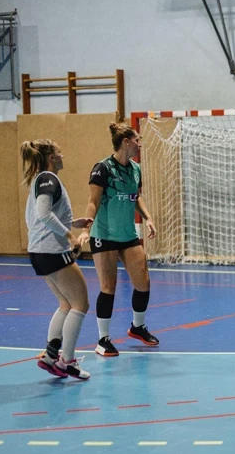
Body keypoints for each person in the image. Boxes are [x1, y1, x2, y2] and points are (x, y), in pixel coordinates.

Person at [77, 122, 159, 357]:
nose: (139, 144)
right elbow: (93, 201)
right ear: (126, 142)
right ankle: (102, 340)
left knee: (143, 283)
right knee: (108, 287)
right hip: (104, 235)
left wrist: (148, 218)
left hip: (128, 235)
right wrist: (87, 226)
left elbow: (136, 196)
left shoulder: (135, 168)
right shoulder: (102, 169)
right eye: (137, 140)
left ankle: (137, 327)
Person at [22, 139, 93, 379]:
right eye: (59, 152)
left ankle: (51, 356)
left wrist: (73, 222)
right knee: (80, 304)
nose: (63, 156)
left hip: (39, 252)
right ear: (51, 158)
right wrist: (69, 235)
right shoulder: (48, 178)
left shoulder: (40, 180)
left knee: (66, 304)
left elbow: (42, 215)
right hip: (52, 251)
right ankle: (67, 361)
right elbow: (43, 214)